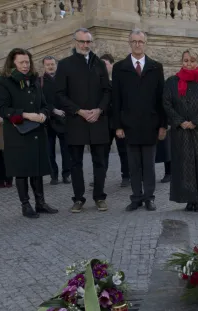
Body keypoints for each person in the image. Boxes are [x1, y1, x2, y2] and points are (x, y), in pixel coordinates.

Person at [0, 48, 58, 218]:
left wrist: (43, 115)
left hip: (37, 132)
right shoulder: (5, 82)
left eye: (27, 62)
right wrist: (25, 114)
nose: (25, 65)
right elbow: (2, 109)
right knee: (22, 170)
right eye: (21, 62)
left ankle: (40, 202)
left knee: (37, 168)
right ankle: (25, 205)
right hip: (18, 133)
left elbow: (44, 104)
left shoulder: (35, 81)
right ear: (13, 63)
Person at [56, 28, 111, 213]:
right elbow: (60, 95)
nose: (85, 45)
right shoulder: (64, 65)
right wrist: (78, 111)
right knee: (76, 162)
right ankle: (78, 198)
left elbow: (107, 91)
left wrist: (99, 109)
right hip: (76, 120)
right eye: (82, 41)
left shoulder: (99, 64)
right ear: (75, 42)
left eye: (88, 42)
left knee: (100, 161)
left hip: (98, 119)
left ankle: (99, 197)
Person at [112, 28, 167, 212]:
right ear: (129, 43)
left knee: (149, 165)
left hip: (151, 124)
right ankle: (136, 197)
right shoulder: (119, 67)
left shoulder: (155, 66)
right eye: (134, 41)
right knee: (133, 164)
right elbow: (116, 99)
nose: (137, 44)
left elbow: (162, 98)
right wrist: (117, 125)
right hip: (129, 125)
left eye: (141, 41)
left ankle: (149, 197)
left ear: (145, 43)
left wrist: (162, 125)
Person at [163, 49, 198, 212]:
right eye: (186, 60)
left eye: (192, 60)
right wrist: (180, 122)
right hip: (181, 131)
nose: (189, 63)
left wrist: (195, 121)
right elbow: (167, 103)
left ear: (197, 62)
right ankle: (189, 198)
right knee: (185, 165)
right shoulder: (172, 81)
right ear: (182, 61)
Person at [100, 53, 130, 187]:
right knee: (102, 152)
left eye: (105, 64)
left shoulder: (120, 79)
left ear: (112, 64)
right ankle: (100, 177)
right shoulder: (98, 81)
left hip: (119, 121)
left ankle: (126, 176)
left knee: (123, 151)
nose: (103, 67)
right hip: (104, 122)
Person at [40, 56, 71, 185]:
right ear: (44, 66)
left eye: (52, 64)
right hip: (48, 120)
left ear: (56, 65)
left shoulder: (63, 79)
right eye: (48, 65)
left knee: (66, 150)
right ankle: (54, 175)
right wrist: (53, 110)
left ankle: (66, 175)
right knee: (49, 151)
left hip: (63, 119)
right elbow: (41, 100)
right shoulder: (39, 81)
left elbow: (68, 97)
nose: (51, 66)